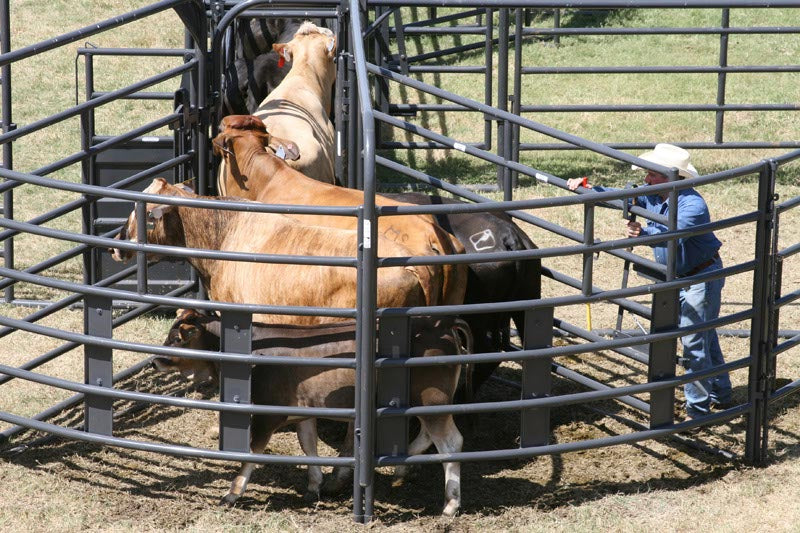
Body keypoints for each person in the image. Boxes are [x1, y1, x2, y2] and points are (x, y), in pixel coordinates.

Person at [567, 143, 732, 419]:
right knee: (702, 335)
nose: (646, 179)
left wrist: (643, 230)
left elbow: (673, 232)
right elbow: (624, 196)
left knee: (694, 341)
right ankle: (720, 394)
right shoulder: (655, 195)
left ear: (671, 177)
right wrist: (588, 189)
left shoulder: (693, 204)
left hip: (700, 277)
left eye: (652, 175)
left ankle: (699, 410)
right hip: (684, 275)